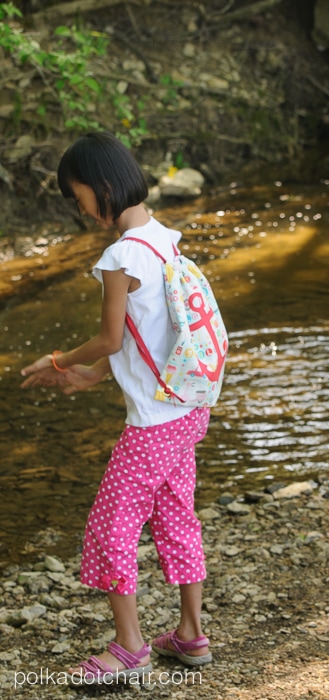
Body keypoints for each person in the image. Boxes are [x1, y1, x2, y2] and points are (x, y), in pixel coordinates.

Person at [20, 132, 213, 684]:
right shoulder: (163, 239)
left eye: (76, 194)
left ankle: (130, 647)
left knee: (111, 525)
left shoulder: (120, 255)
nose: (78, 207)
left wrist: (58, 361)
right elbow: (146, 330)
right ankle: (190, 635)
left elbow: (108, 337)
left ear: (100, 186)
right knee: (177, 514)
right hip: (187, 409)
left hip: (153, 423)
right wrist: (95, 375)